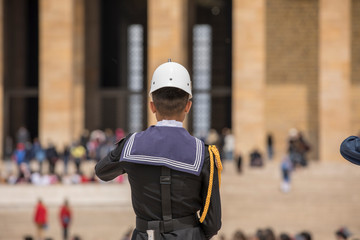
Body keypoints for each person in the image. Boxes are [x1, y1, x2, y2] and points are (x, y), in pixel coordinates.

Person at [95, 60, 222, 240]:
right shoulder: (204, 153)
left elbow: (102, 171)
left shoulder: (131, 145)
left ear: (152, 106)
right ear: (188, 106)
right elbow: (213, 222)